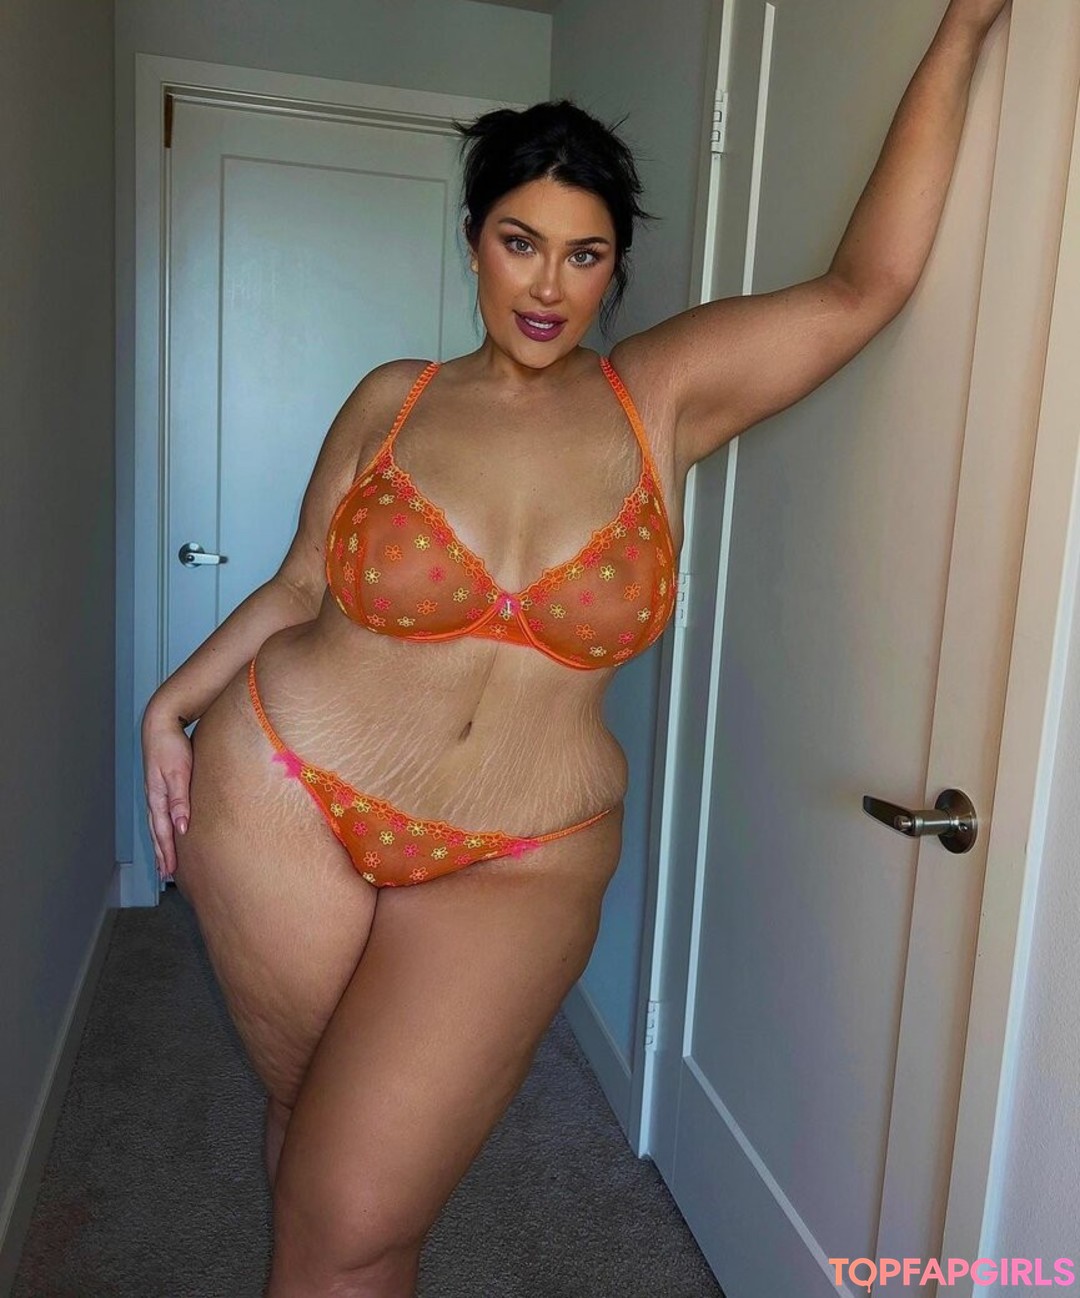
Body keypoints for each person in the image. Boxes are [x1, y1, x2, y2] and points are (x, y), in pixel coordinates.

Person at [141, 2, 1008, 1292]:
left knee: (358, 1206)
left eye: (585, 255)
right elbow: (300, 586)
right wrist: (169, 707)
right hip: (286, 796)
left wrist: (966, 26)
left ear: (616, 268)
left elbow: (861, 288)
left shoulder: (657, 399)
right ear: (474, 241)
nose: (549, 287)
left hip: (523, 854)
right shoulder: (395, 398)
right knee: (313, 1155)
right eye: (521, 243)